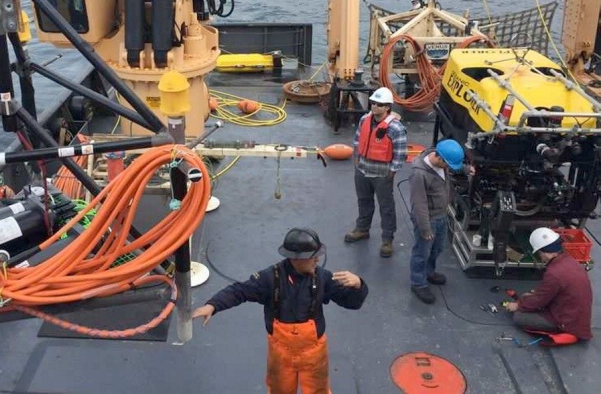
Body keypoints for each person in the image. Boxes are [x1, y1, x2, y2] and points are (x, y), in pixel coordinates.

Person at [192, 228, 368, 394]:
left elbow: (352, 303)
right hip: (280, 354)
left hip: (314, 353)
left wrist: (359, 285)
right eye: (313, 256)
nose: (317, 260)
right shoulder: (270, 278)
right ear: (296, 259)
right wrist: (213, 305)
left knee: (318, 390)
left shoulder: (323, 278)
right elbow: (240, 291)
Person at [345, 86, 408, 257]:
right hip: (362, 169)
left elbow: (400, 152)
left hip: (382, 173)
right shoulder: (365, 119)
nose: (374, 106)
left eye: (379, 104)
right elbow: (358, 138)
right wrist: (356, 157)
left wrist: (393, 171)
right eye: (373, 103)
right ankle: (362, 228)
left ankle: (387, 240)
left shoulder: (395, 128)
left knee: (386, 207)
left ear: (387, 107)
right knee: (363, 200)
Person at [504, 227, 593, 341]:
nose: (540, 257)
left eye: (539, 253)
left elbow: (539, 300)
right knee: (527, 297)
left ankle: (560, 330)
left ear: (545, 253)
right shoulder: (570, 261)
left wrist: (517, 305)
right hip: (574, 314)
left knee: (519, 317)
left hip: (566, 322)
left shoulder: (554, 274)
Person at [408, 139, 466, 304]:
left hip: (441, 215)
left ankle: (429, 271)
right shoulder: (419, 173)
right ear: (440, 159)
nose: (448, 168)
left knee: (437, 248)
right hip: (427, 220)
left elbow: (455, 166)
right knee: (422, 252)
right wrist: (425, 229)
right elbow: (419, 204)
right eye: (447, 165)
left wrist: (466, 169)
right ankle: (418, 283)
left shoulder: (441, 161)